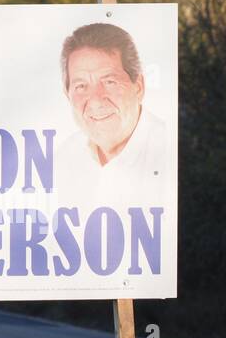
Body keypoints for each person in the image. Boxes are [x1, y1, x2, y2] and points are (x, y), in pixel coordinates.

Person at [55, 23, 168, 208]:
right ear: (67, 95)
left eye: (109, 82)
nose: (96, 100)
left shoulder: (172, 153)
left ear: (138, 87)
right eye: (81, 86)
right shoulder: (63, 158)